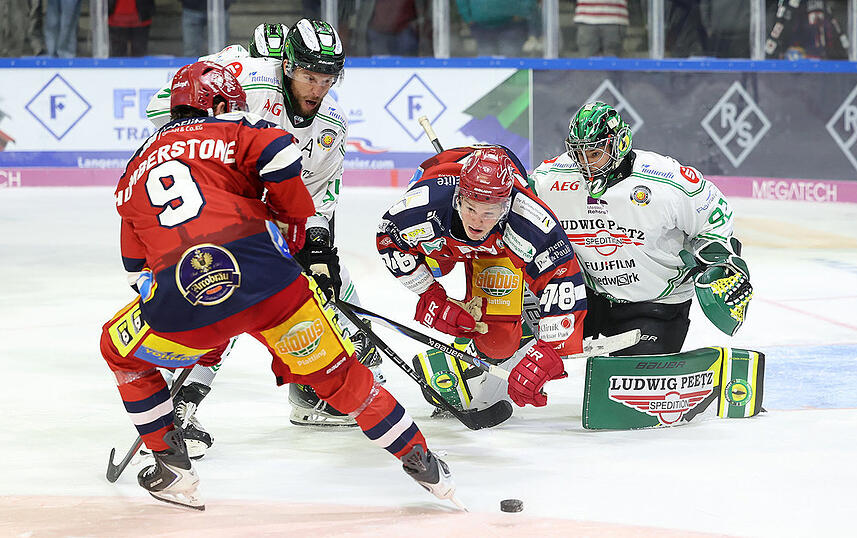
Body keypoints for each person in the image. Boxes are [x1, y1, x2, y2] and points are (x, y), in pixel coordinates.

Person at [100, 60, 455, 510]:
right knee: (345, 379)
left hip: (185, 292)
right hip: (273, 285)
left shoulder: (133, 168)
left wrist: (187, 300)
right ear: (221, 103)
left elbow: (135, 268)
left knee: (119, 351)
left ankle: (171, 466)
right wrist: (292, 232)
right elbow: (282, 153)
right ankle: (424, 465)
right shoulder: (233, 131)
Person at [147, 19, 383, 453]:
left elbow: (320, 192)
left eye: (327, 79)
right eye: (309, 76)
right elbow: (164, 106)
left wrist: (318, 247)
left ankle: (320, 384)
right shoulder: (245, 76)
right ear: (288, 67)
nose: (317, 89)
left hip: (273, 210)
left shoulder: (332, 122)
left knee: (331, 284)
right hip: (214, 207)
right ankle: (180, 401)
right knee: (226, 293)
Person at [529, 102, 753, 356]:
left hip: (655, 305)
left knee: (628, 380)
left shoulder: (666, 180)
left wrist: (720, 263)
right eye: (579, 155)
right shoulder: (552, 178)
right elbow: (515, 206)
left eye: (594, 154)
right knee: (521, 329)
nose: (586, 164)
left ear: (620, 143)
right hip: (586, 298)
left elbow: (713, 215)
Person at [377, 146, 586, 408]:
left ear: (506, 206)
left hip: (497, 247)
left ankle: (519, 328)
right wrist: (431, 294)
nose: (477, 222)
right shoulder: (423, 207)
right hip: (443, 241)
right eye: (471, 209)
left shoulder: (527, 218)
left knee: (497, 342)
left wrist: (549, 349)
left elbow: (562, 277)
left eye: (489, 212)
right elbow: (388, 238)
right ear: (458, 199)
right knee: (441, 268)